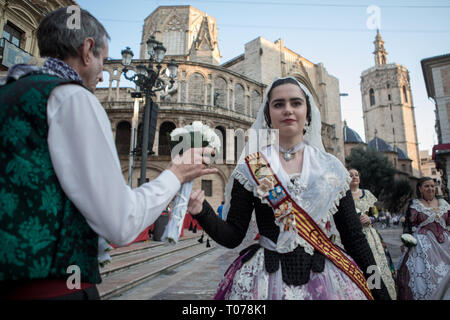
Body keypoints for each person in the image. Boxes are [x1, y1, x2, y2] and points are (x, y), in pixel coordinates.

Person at [0, 7, 217, 300]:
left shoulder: (9, 91)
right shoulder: (73, 98)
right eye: (103, 59)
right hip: (55, 289)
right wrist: (176, 174)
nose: (103, 74)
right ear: (88, 50)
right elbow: (120, 223)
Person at [187, 77, 390, 300]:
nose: (287, 110)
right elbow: (233, 236)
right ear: (268, 114)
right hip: (265, 281)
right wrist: (202, 211)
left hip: (327, 280)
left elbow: (355, 239)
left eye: (296, 103)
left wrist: (380, 292)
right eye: (278, 104)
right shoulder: (251, 167)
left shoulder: (332, 168)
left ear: (308, 112)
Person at [397, 177, 450, 300]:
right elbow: (409, 226)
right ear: (420, 189)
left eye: (432, 186)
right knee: (424, 275)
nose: (430, 188)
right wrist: (406, 242)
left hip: (445, 244)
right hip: (423, 245)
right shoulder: (415, 205)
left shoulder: (445, 204)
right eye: (426, 186)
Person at [348, 169, 397, 300]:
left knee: (373, 265)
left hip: (369, 235)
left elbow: (376, 214)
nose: (354, 177)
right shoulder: (343, 196)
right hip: (350, 236)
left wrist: (371, 219)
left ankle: (377, 294)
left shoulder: (367, 194)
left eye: (356, 175)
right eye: (350, 175)